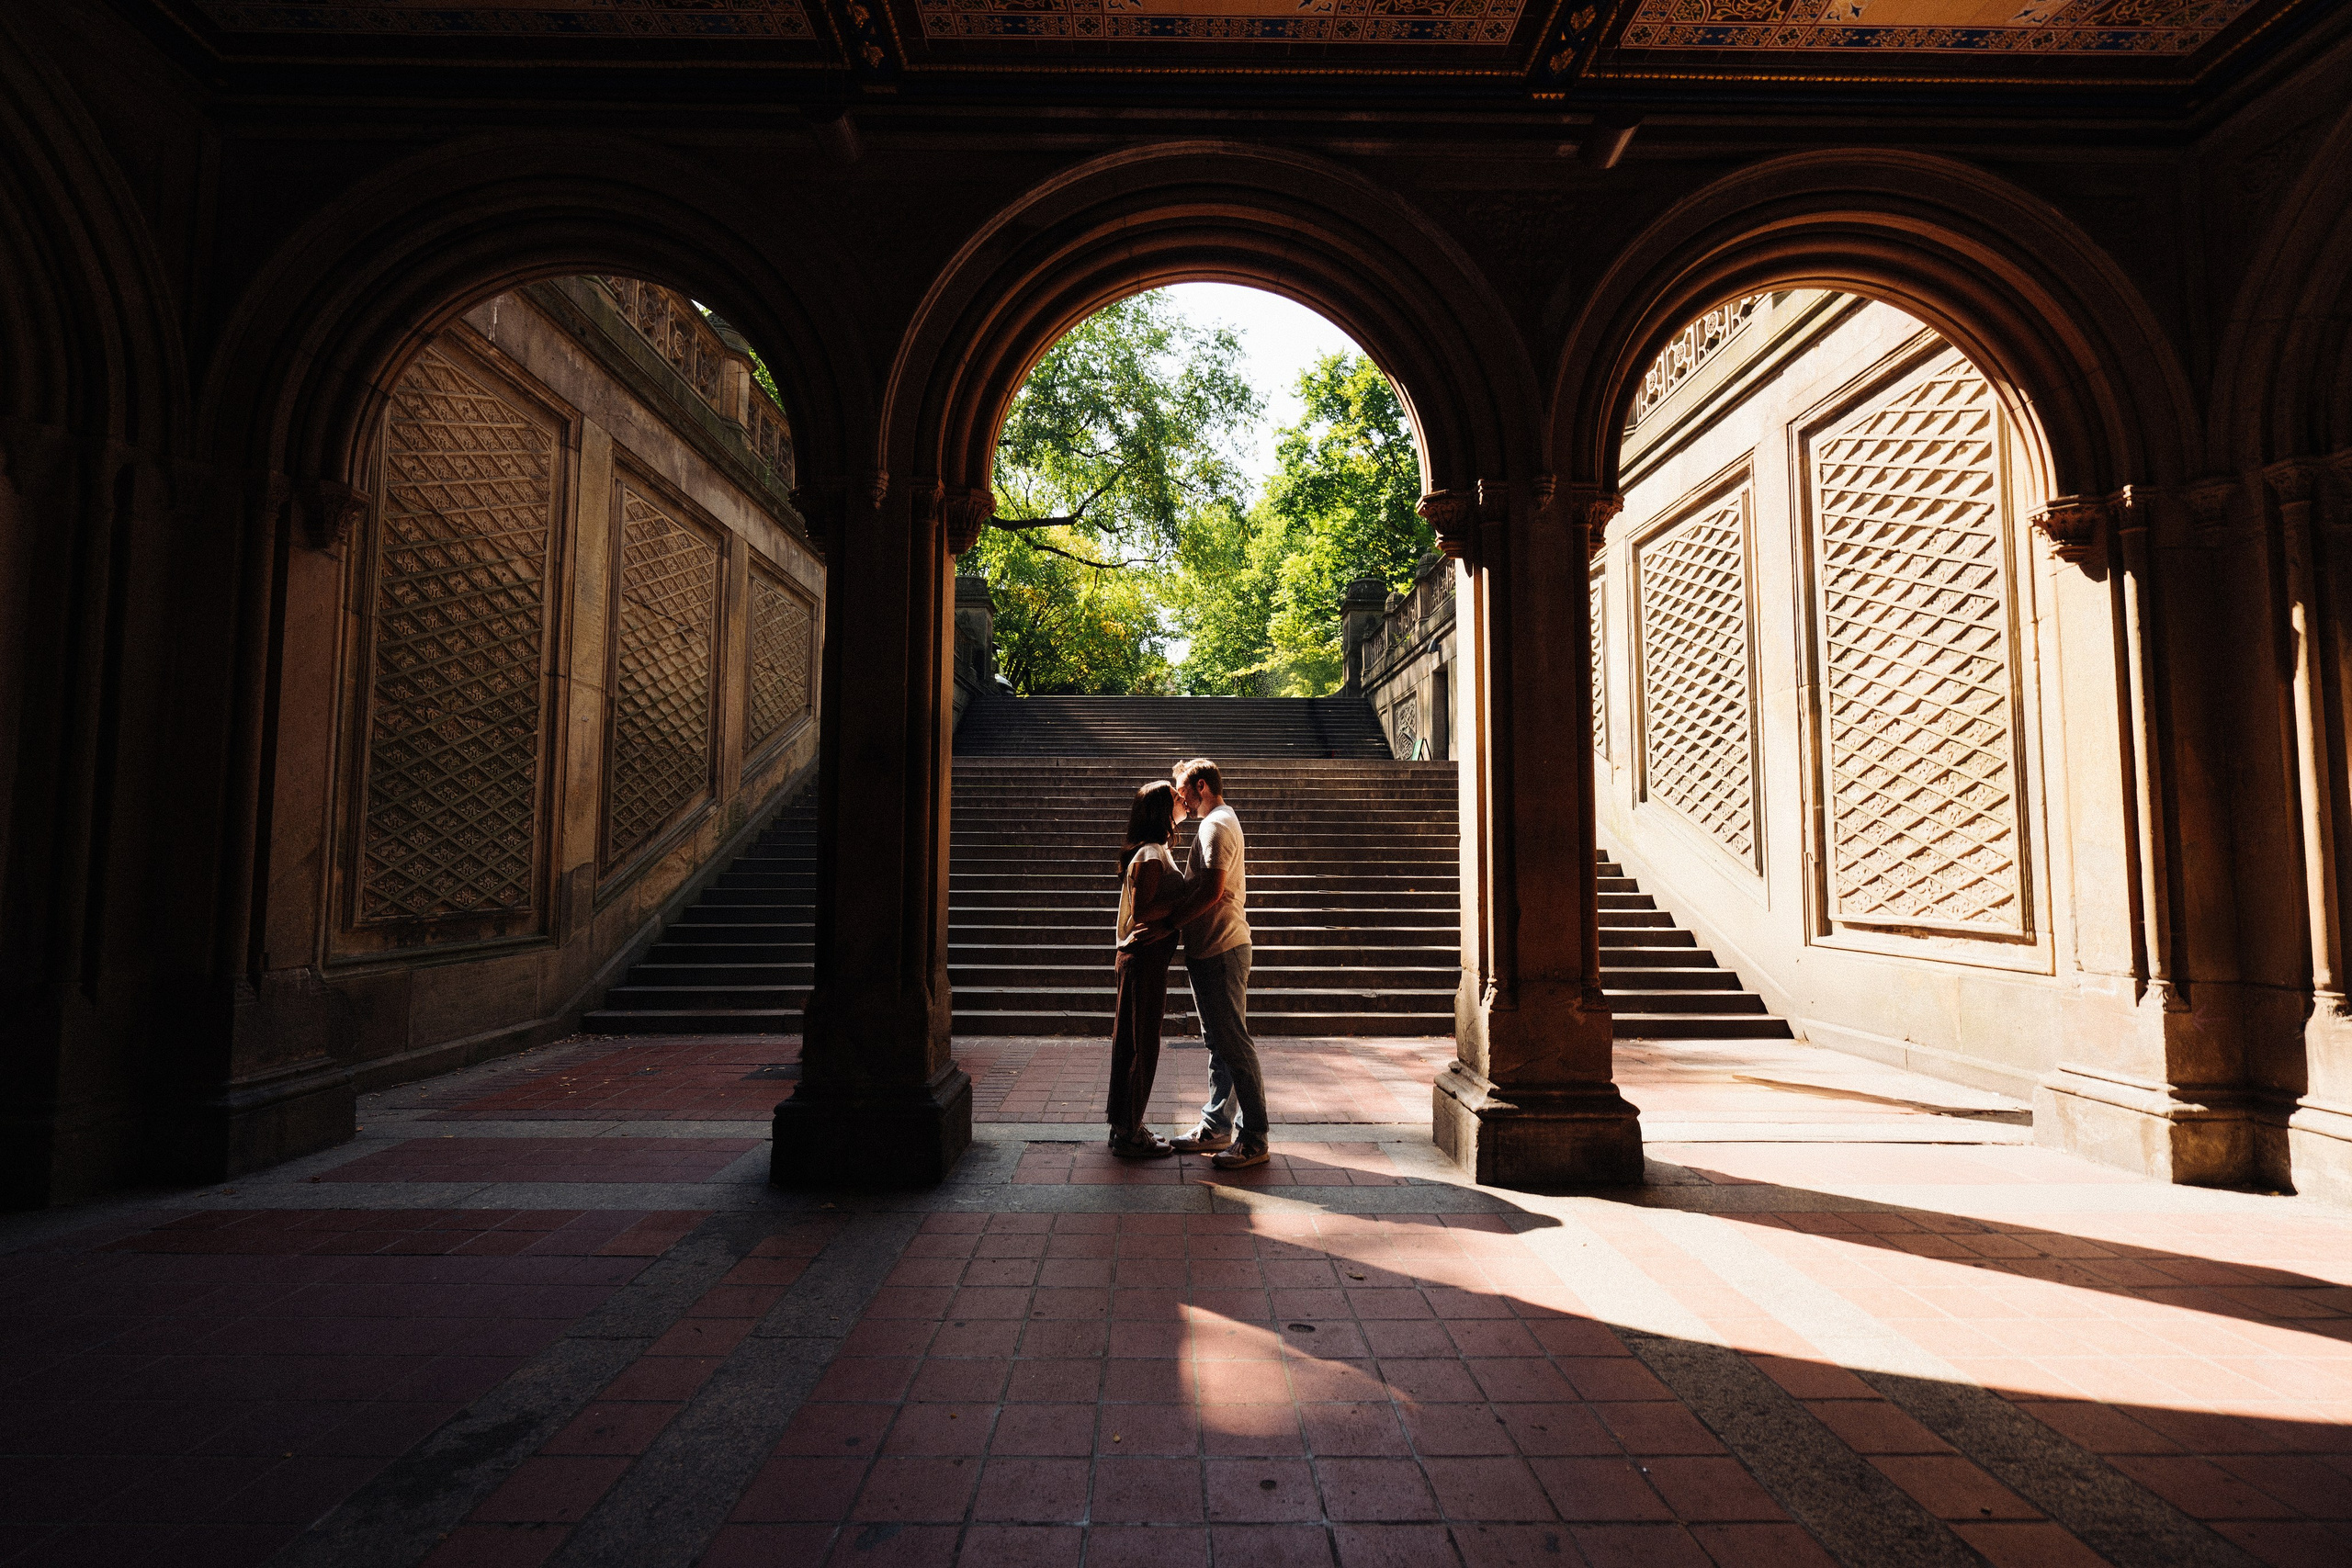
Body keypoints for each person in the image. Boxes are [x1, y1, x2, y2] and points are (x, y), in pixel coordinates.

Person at [1159, 758, 1269, 1170]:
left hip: (1222, 948)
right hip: (1211, 949)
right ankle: (1217, 1125)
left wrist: (1170, 921)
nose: (1179, 798)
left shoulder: (1214, 825)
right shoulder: (1220, 820)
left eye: (1183, 789)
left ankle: (1254, 1137)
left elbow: (1213, 889)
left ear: (1201, 786)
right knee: (1221, 1042)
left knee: (1234, 1043)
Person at [1106, 781, 1193, 1159]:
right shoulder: (1153, 852)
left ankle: (1125, 1124)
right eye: (1175, 798)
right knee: (1144, 1044)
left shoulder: (1151, 850)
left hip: (1141, 959)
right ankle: (1129, 1132)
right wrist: (1184, 907)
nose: (1183, 800)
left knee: (1131, 1042)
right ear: (1162, 810)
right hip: (1144, 959)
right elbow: (1143, 911)